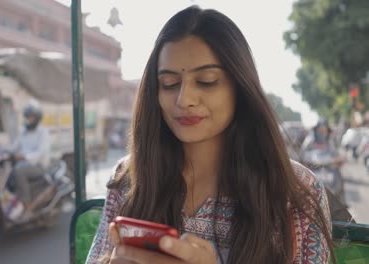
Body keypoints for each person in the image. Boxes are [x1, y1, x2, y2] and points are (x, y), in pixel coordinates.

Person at [86, 6, 333, 264]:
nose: (184, 100)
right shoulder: (129, 177)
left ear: (239, 86)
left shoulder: (297, 191)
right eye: (169, 84)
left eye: (206, 80)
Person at [12, 103, 50, 208]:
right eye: (27, 117)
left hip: (38, 165)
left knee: (19, 170)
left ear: (37, 118)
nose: (29, 120)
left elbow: (41, 152)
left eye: (31, 117)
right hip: (24, 163)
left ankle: (26, 202)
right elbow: (14, 147)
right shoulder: (23, 131)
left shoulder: (43, 132)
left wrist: (25, 157)